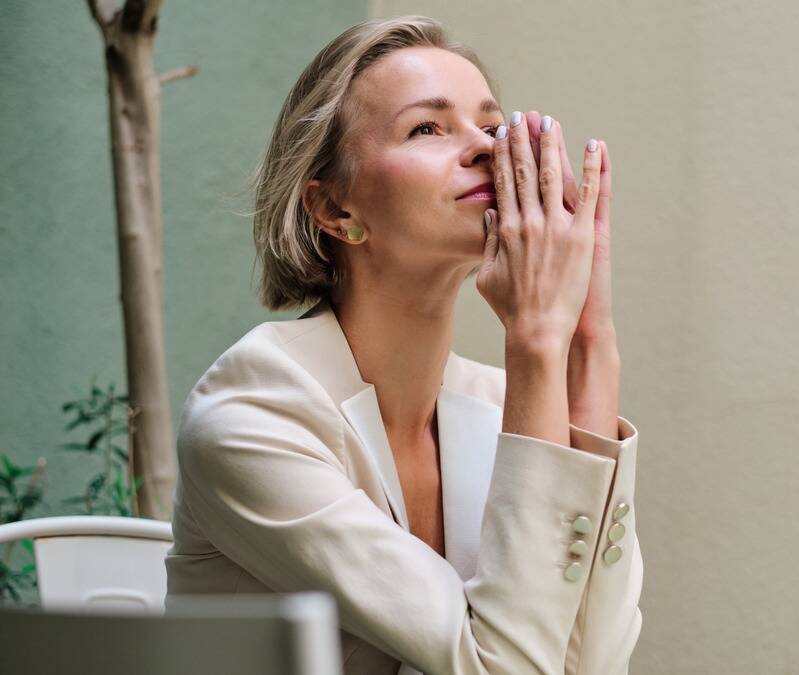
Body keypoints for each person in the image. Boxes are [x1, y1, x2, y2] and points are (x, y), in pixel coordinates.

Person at [164, 15, 642, 675]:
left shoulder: (505, 403)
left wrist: (589, 336)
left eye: (491, 125)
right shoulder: (254, 417)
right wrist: (535, 336)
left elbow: (592, 664)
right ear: (336, 210)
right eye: (428, 127)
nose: (486, 149)